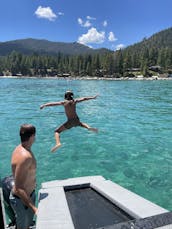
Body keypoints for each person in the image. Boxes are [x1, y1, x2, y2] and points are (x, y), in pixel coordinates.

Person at [10, 124, 37, 229]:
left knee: (27, 225)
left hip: (26, 198)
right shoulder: (25, 156)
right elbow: (18, 189)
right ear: (32, 136)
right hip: (22, 201)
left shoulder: (21, 148)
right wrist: (34, 208)